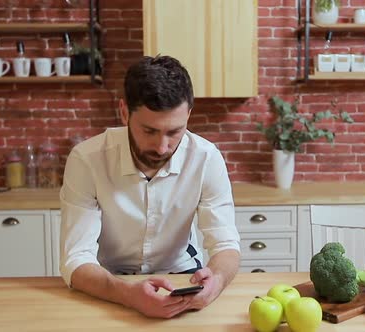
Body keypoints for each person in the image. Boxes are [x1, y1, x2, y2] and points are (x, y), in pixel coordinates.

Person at [59, 55, 241, 318]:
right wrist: (127, 294)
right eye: (149, 131)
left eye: (174, 132)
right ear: (124, 112)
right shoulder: (86, 159)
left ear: (189, 114)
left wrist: (217, 281)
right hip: (108, 282)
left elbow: (225, 244)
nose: (162, 147)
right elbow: (75, 259)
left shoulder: (206, 157)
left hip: (182, 278)